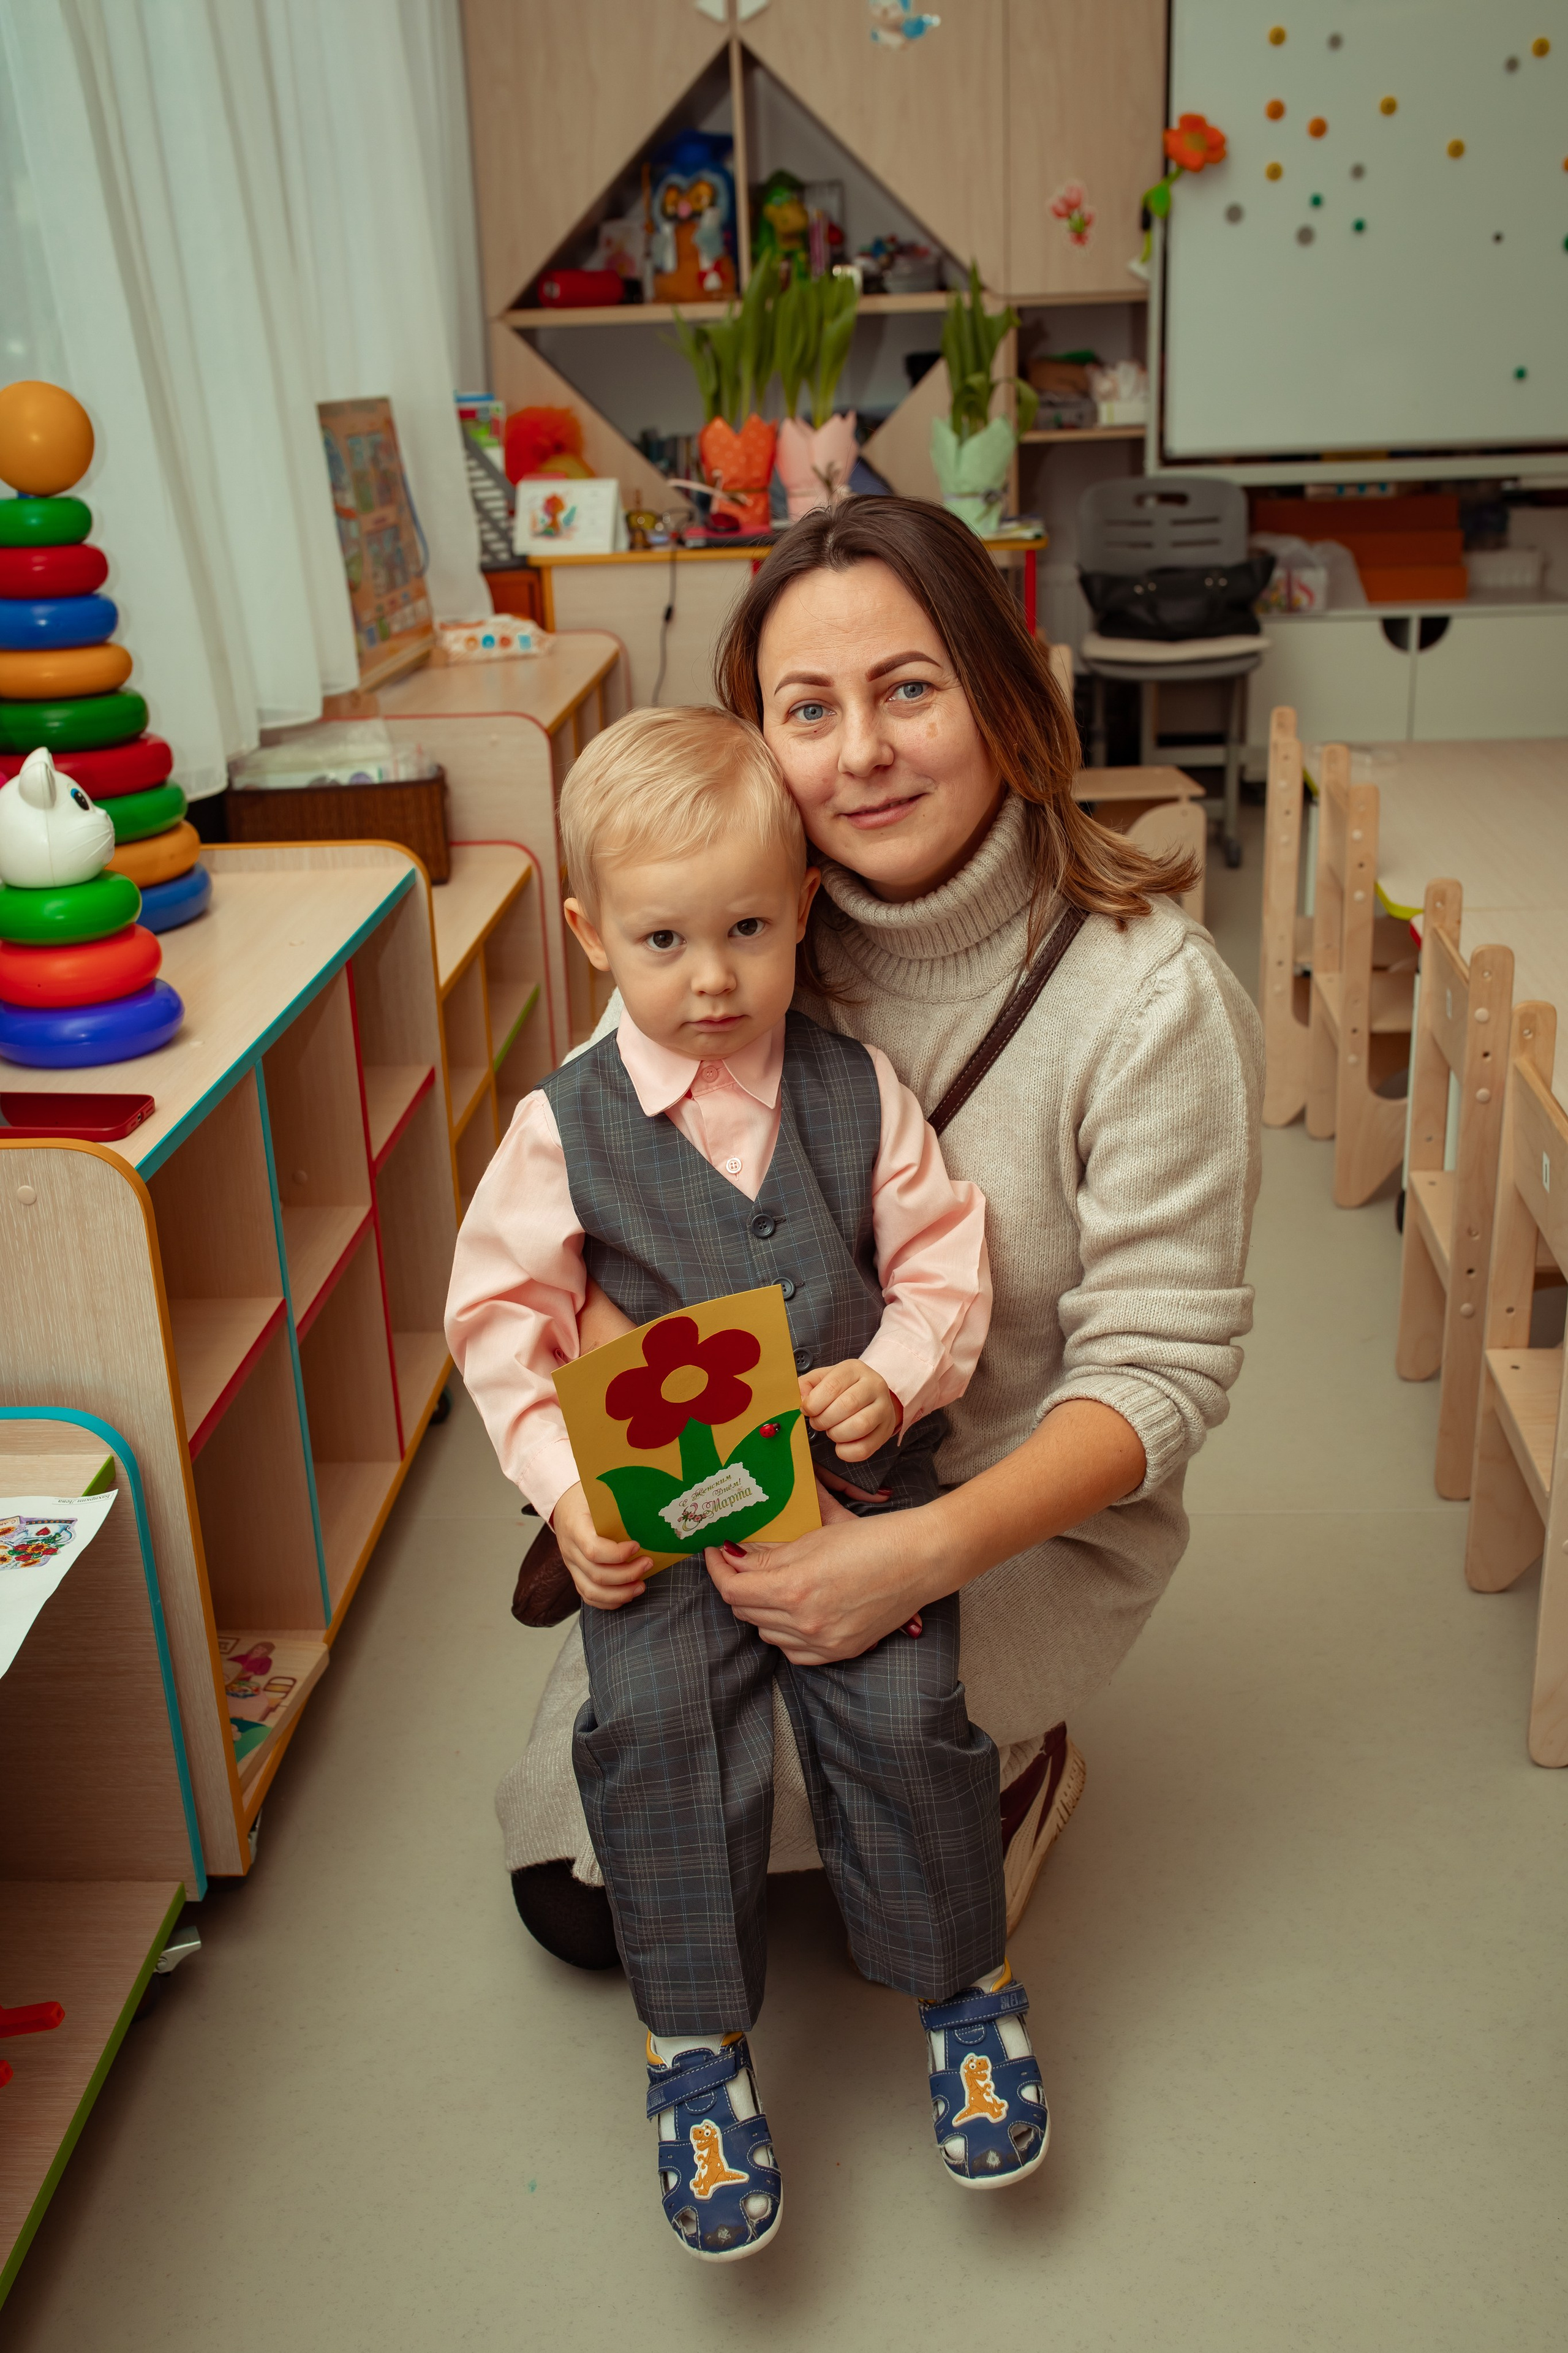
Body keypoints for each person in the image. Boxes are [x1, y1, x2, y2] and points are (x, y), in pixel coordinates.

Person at [494, 493, 1263, 2142]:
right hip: (755, 1494)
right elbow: (587, 1247)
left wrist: (904, 1559)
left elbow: (1166, 1367)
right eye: (808, 709)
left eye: (910, 688)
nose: (862, 755)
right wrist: (593, 1477)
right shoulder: (757, 935)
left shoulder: (1151, 997)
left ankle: (1019, 1761)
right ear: (755, 741)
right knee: (575, 1891)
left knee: (869, 1854)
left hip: (996, 1516)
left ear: (1002, 691)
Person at [447, 703, 1057, 2261]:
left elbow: (942, 1261)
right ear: (593, 935)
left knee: (908, 1717)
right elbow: (499, 1321)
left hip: (849, 1490)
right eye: (661, 940)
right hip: (662, 1516)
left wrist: (898, 1369)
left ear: (800, 907)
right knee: (650, 1731)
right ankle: (694, 2051)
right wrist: (567, 1489)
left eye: (744, 929)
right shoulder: (559, 1128)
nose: (708, 977)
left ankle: (961, 1988)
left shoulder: (854, 1089)